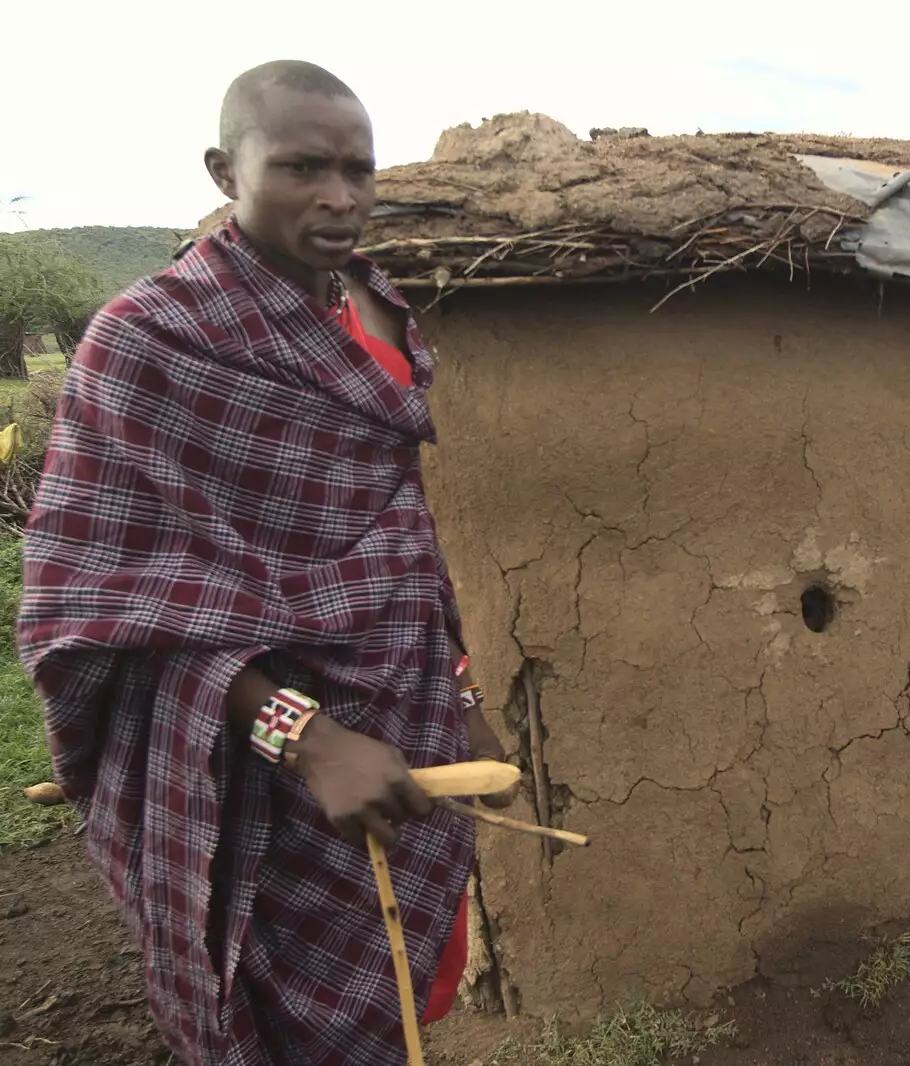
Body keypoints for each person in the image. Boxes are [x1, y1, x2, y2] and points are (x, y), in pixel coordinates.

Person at [17, 60, 515, 1065]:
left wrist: (457, 690)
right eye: (300, 167)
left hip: (404, 709)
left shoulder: (379, 311)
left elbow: (400, 534)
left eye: (357, 171)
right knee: (295, 1019)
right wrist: (307, 736)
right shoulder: (150, 341)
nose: (339, 199)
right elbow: (105, 601)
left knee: (408, 984)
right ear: (222, 169)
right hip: (254, 760)